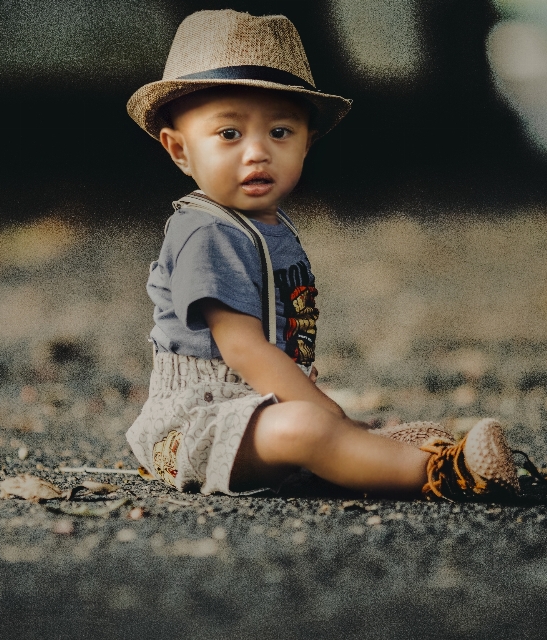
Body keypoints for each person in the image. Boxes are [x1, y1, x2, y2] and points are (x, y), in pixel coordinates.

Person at [124, 9, 519, 501]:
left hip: (256, 409)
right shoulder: (205, 232)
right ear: (179, 150)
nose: (257, 152)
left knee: (314, 425)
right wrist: (326, 412)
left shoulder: (270, 227)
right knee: (307, 428)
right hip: (195, 429)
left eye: (280, 132)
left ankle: (371, 453)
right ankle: (442, 473)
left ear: (307, 143)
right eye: (229, 134)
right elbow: (243, 348)